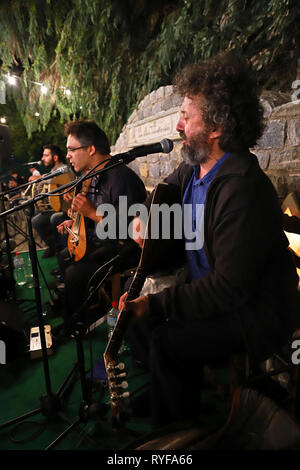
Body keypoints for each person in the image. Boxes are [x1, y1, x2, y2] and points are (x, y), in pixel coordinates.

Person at [119, 51, 300, 429]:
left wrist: (155, 305)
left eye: (187, 116)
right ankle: (165, 392)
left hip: (253, 312)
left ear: (216, 127)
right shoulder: (195, 164)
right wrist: (144, 217)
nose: (178, 124)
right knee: (137, 321)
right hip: (213, 292)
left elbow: (229, 290)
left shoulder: (240, 190)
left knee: (166, 337)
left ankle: (178, 434)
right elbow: (169, 187)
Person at [56, 119, 147, 335]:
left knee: (74, 273)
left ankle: (78, 323)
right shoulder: (94, 177)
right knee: (64, 255)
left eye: (72, 149)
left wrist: (91, 213)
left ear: (91, 150)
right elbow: (96, 216)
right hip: (105, 240)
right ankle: (84, 306)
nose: (68, 155)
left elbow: (129, 230)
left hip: (126, 248)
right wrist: (78, 220)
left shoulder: (121, 178)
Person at [31, 144, 73, 258]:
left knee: (36, 221)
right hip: (56, 207)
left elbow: (50, 180)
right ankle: (52, 245)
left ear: (55, 157)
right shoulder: (54, 169)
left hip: (65, 209)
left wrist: (38, 178)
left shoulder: (62, 169)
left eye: (46, 155)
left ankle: (54, 247)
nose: (43, 158)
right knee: (36, 214)